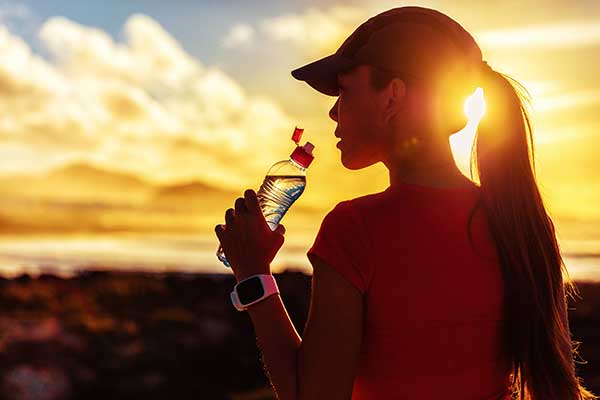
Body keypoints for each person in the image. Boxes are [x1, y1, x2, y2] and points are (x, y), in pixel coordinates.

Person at [216, 6, 597, 400]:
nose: (332, 111)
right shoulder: (522, 223)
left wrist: (253, 274)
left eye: (344, 90)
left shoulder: (356, 228)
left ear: (393, 96)